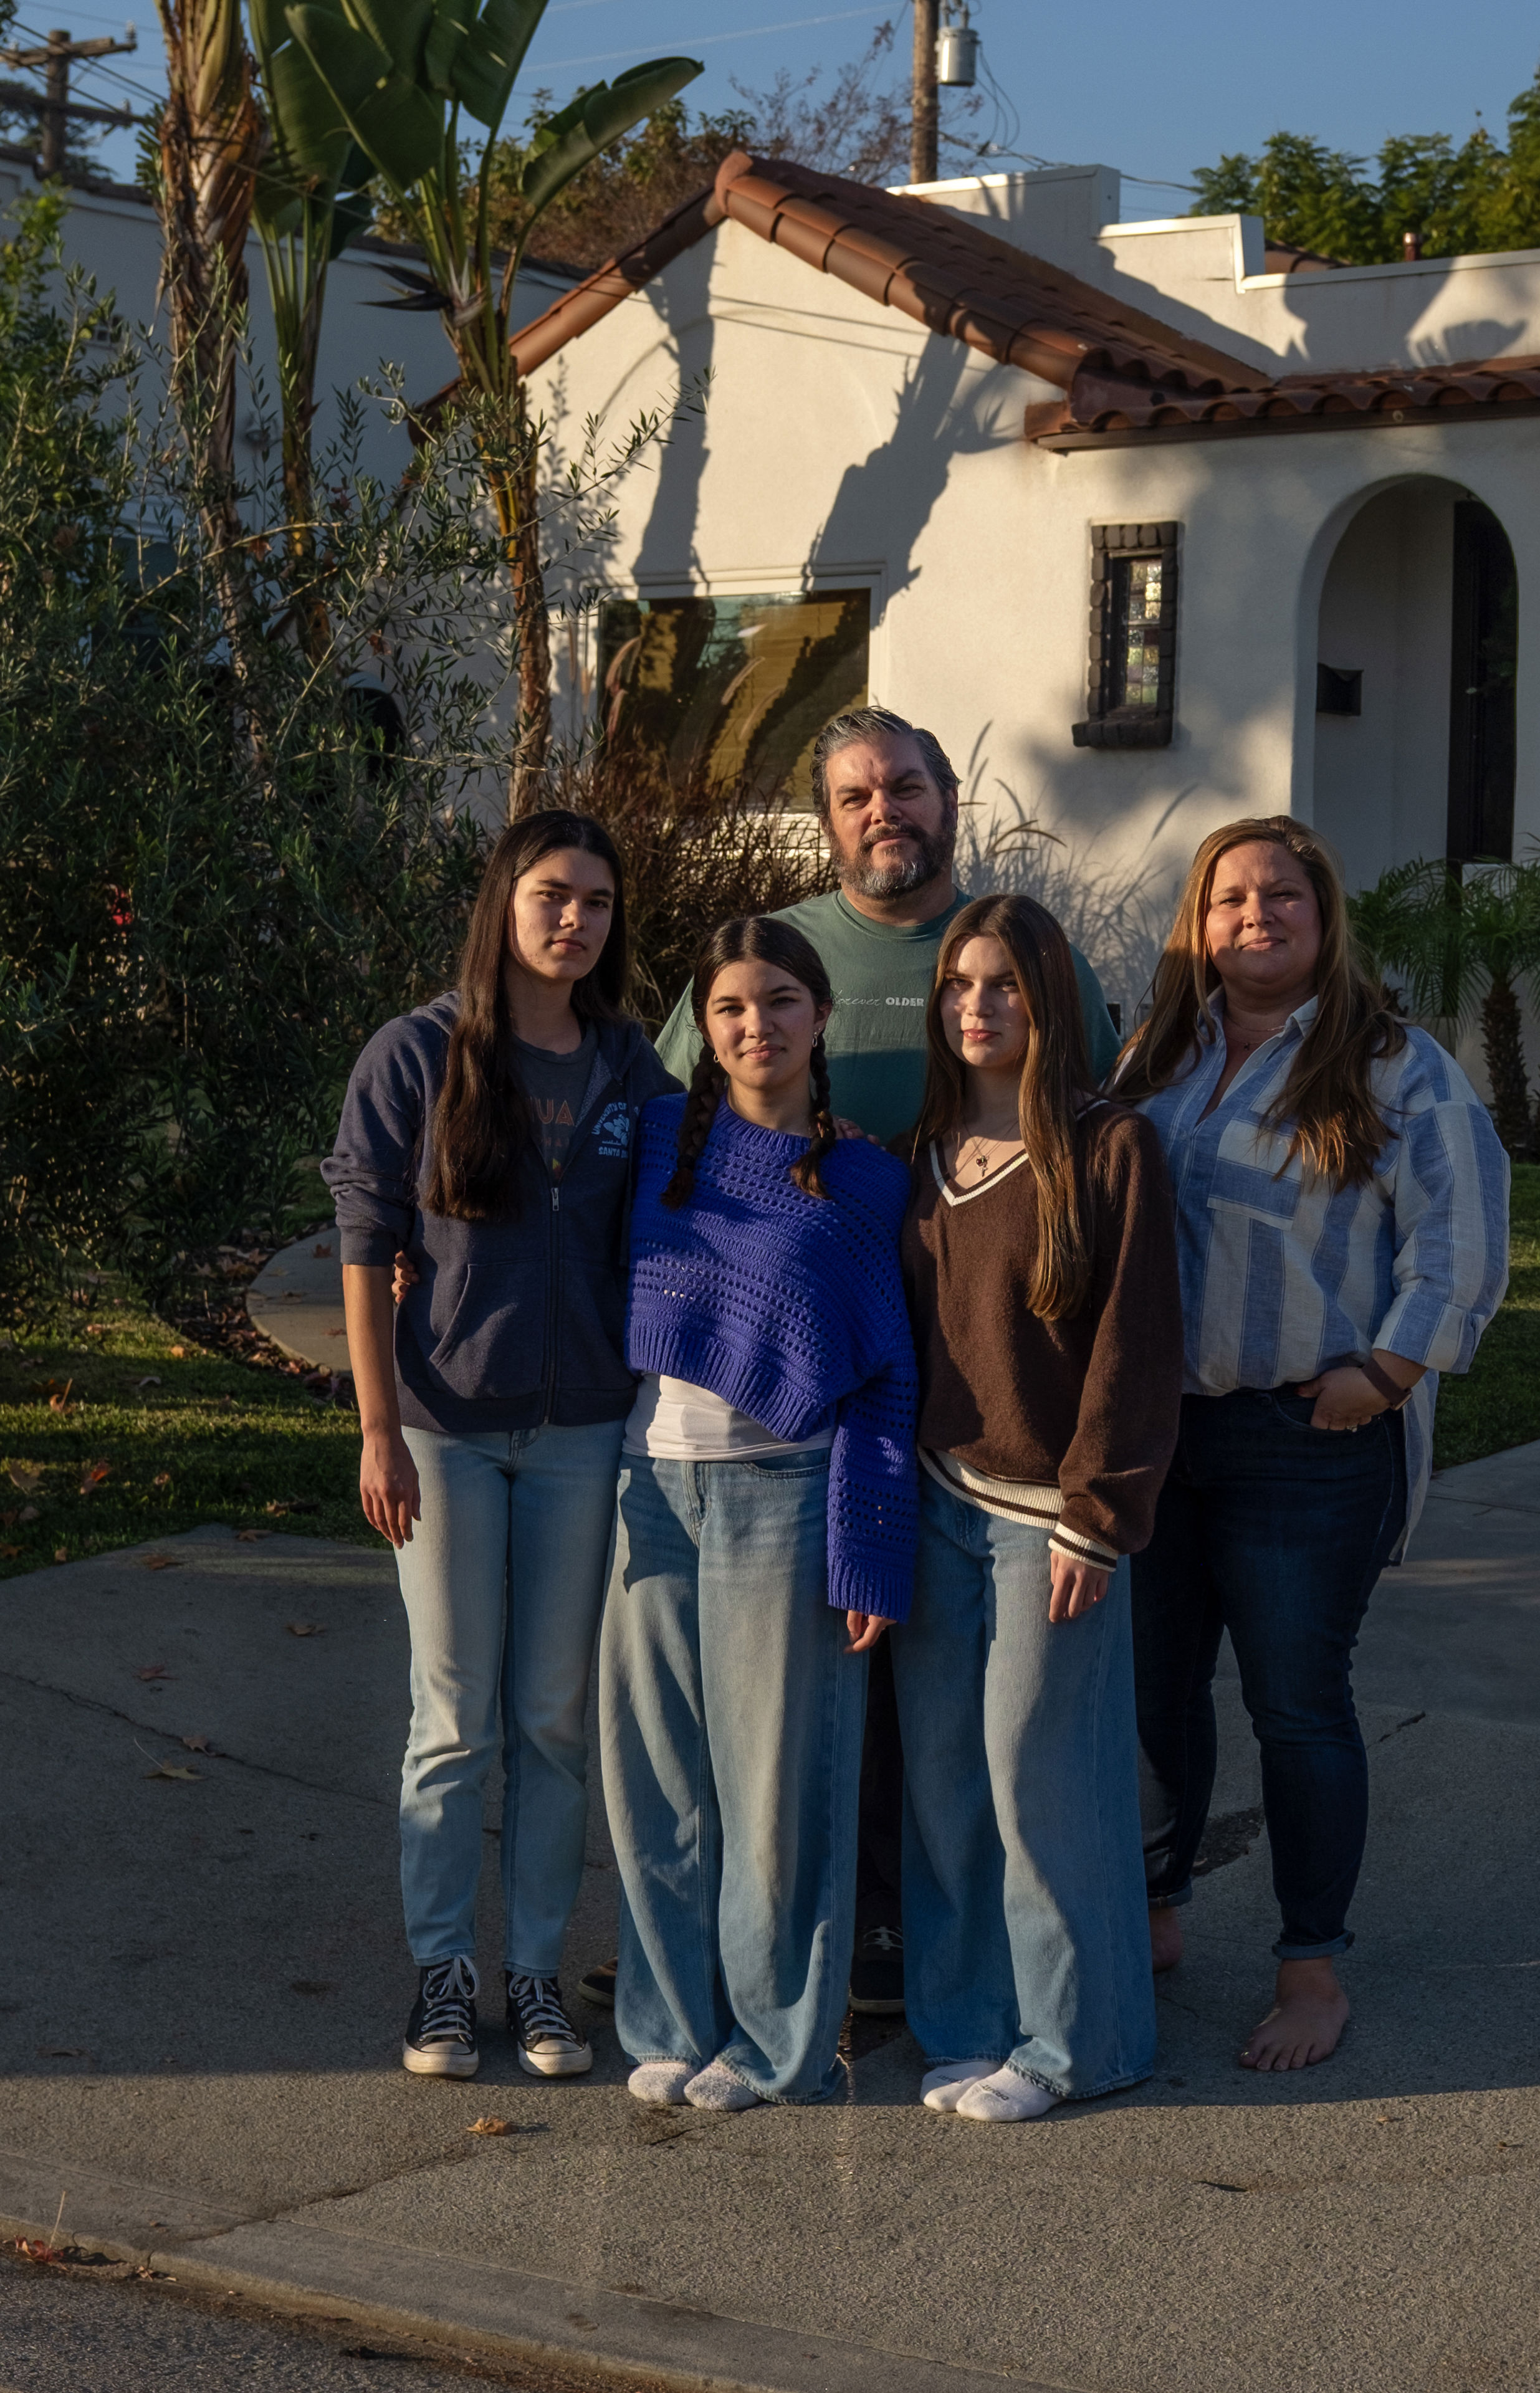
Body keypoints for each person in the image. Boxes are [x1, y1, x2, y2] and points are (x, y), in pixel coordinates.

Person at [641, 704, 1122, 2018]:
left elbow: (1111, 1127)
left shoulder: (1017, 947)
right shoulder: (788, 954)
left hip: (998, 1382)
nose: (883, 812)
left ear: (946, 798)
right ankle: (846, 1950)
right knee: (836, 1686)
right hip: (816, 1386)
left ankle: (1007, 1954)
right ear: (828, 819)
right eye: (855, 796)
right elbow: (663, 1134)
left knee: (975, 1713)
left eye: (905, 786)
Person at [1117, 816, 1509, 2074]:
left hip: (1308, 1437)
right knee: (1150, 1693)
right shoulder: (1158, 1054)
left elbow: (1462, 1237)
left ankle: (1308, 1970)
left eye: (1282, 896)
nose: (1257, 917)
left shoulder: (1394, 1066)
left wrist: (1386, 1373)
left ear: (1323, 916)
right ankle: (1157, 1912)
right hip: (1165, 1437)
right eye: (1231, 899)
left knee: (1296, 1708)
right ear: (1201, 922)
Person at [325, 811, 677, 2081]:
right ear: (503, 904)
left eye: (595, 898)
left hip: (584, 1429)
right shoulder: (416, 1056)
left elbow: (705, 1195)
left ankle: (533, 1971)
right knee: (454, 1715)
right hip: (446, 1429)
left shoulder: (632, 1069)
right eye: (550, 893)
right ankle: (442, 1975)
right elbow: (364, 1252)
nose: (573, 917)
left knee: (551, 1717)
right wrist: (379, 1430)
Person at [600, 915, 919, 2109]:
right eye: (731, 1007)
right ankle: (668, 2020)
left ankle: (777, 2041)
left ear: (821, 1016)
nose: (756, 1026)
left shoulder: (865, 1179)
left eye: (781, 1001)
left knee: (779, 1791)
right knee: (657, 1783)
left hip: (785, 1495)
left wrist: (870, 1550)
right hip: (652, 1485)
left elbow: (888, 1374)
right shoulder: (656, 1156)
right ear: (705, 1026)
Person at [889, 894, 1182, 2123]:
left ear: (1049, 998)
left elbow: (1135, 1346)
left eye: (1003, 984)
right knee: (947, 1784)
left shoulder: (1110, 1146)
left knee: (1037, 1778)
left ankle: (1077, 2043)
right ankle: (967, 2026)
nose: (977, 1007)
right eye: (958, 984)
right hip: (936, 1504)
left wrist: (1097, 1516)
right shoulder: (922, 1155)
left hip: (1047, 1522)